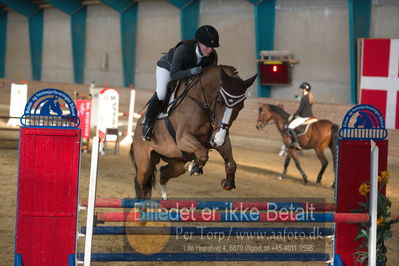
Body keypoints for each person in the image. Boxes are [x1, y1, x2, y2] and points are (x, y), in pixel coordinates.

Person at [142, 25, 220, 141]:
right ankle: (148, 124)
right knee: (162, 93)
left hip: (189, 74)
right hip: (168, 69)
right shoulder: (183, 49)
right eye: (207, 46)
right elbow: (174, 74)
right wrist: (191, 71)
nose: (210, 50)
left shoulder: (212, 56)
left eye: (212, 47)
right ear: (198, 42)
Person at [287, 82, 315, 149]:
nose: (301, 90)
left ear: (304, 89)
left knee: (290, 127)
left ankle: (296, 142)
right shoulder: (310, 97)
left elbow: (300, 108)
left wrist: (293, 115)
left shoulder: (304, 98)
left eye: (301, 89)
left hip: (304, 117)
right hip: (310, 116)